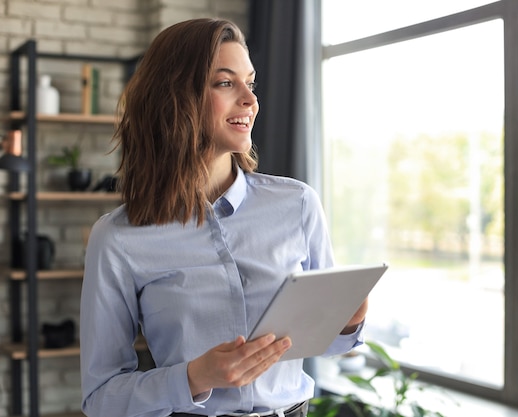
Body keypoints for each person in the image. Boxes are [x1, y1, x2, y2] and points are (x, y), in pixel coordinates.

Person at [79, 18, 368, 417]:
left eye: (251, 83)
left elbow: (322, 341)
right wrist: (195, 376)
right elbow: (101, 399)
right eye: (225, 83)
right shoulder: (118, 238)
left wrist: (347, 323)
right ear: (175, 97)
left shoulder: (297, 203)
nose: (250, 100)